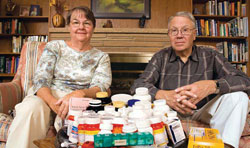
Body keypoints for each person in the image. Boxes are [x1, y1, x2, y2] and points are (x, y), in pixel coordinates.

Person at [130, 11, 250, 148]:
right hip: (170, 113)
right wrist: (162, 95)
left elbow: (244, 81)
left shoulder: (211, 55)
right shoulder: (160, 57)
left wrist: (212, 85)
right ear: (169, 35)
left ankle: (224, 145)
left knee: (239, 97)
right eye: (174, 31)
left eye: (185, 30)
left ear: (194, 34)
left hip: (203, 112)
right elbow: (137, 85)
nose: (179, 35)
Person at [6, 6, 112, 148]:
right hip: (47, 95)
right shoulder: (55, 47)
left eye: (86, 23)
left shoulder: (101, 57)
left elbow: (101, 86)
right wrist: (54, 104)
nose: (81, 27)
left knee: (78, 121)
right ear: (69, 26)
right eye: (75, 22)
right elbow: (41, 80)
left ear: (93, 28)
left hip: (78, 101)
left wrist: (80, 93)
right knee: (31, 108)